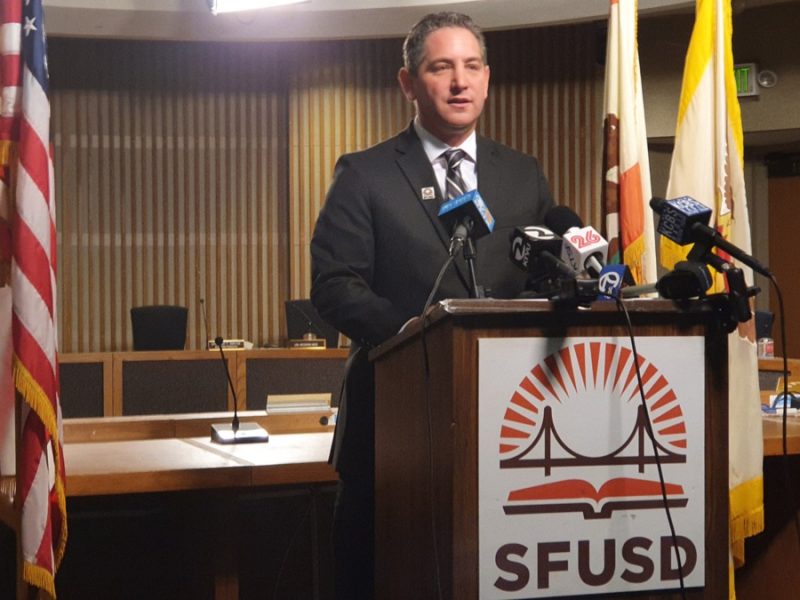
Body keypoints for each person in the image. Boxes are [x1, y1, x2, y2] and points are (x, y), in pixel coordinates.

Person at [310, 12, 554, 598]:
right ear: (408, 83)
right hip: (392, 433)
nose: (459, 82)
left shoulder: (522, 175)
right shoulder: (365, 174)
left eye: (471, 67)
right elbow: (335, 285)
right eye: (441, 67)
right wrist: (418, 335)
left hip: (509, 431)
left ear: (487, 78)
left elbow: (544, 278)